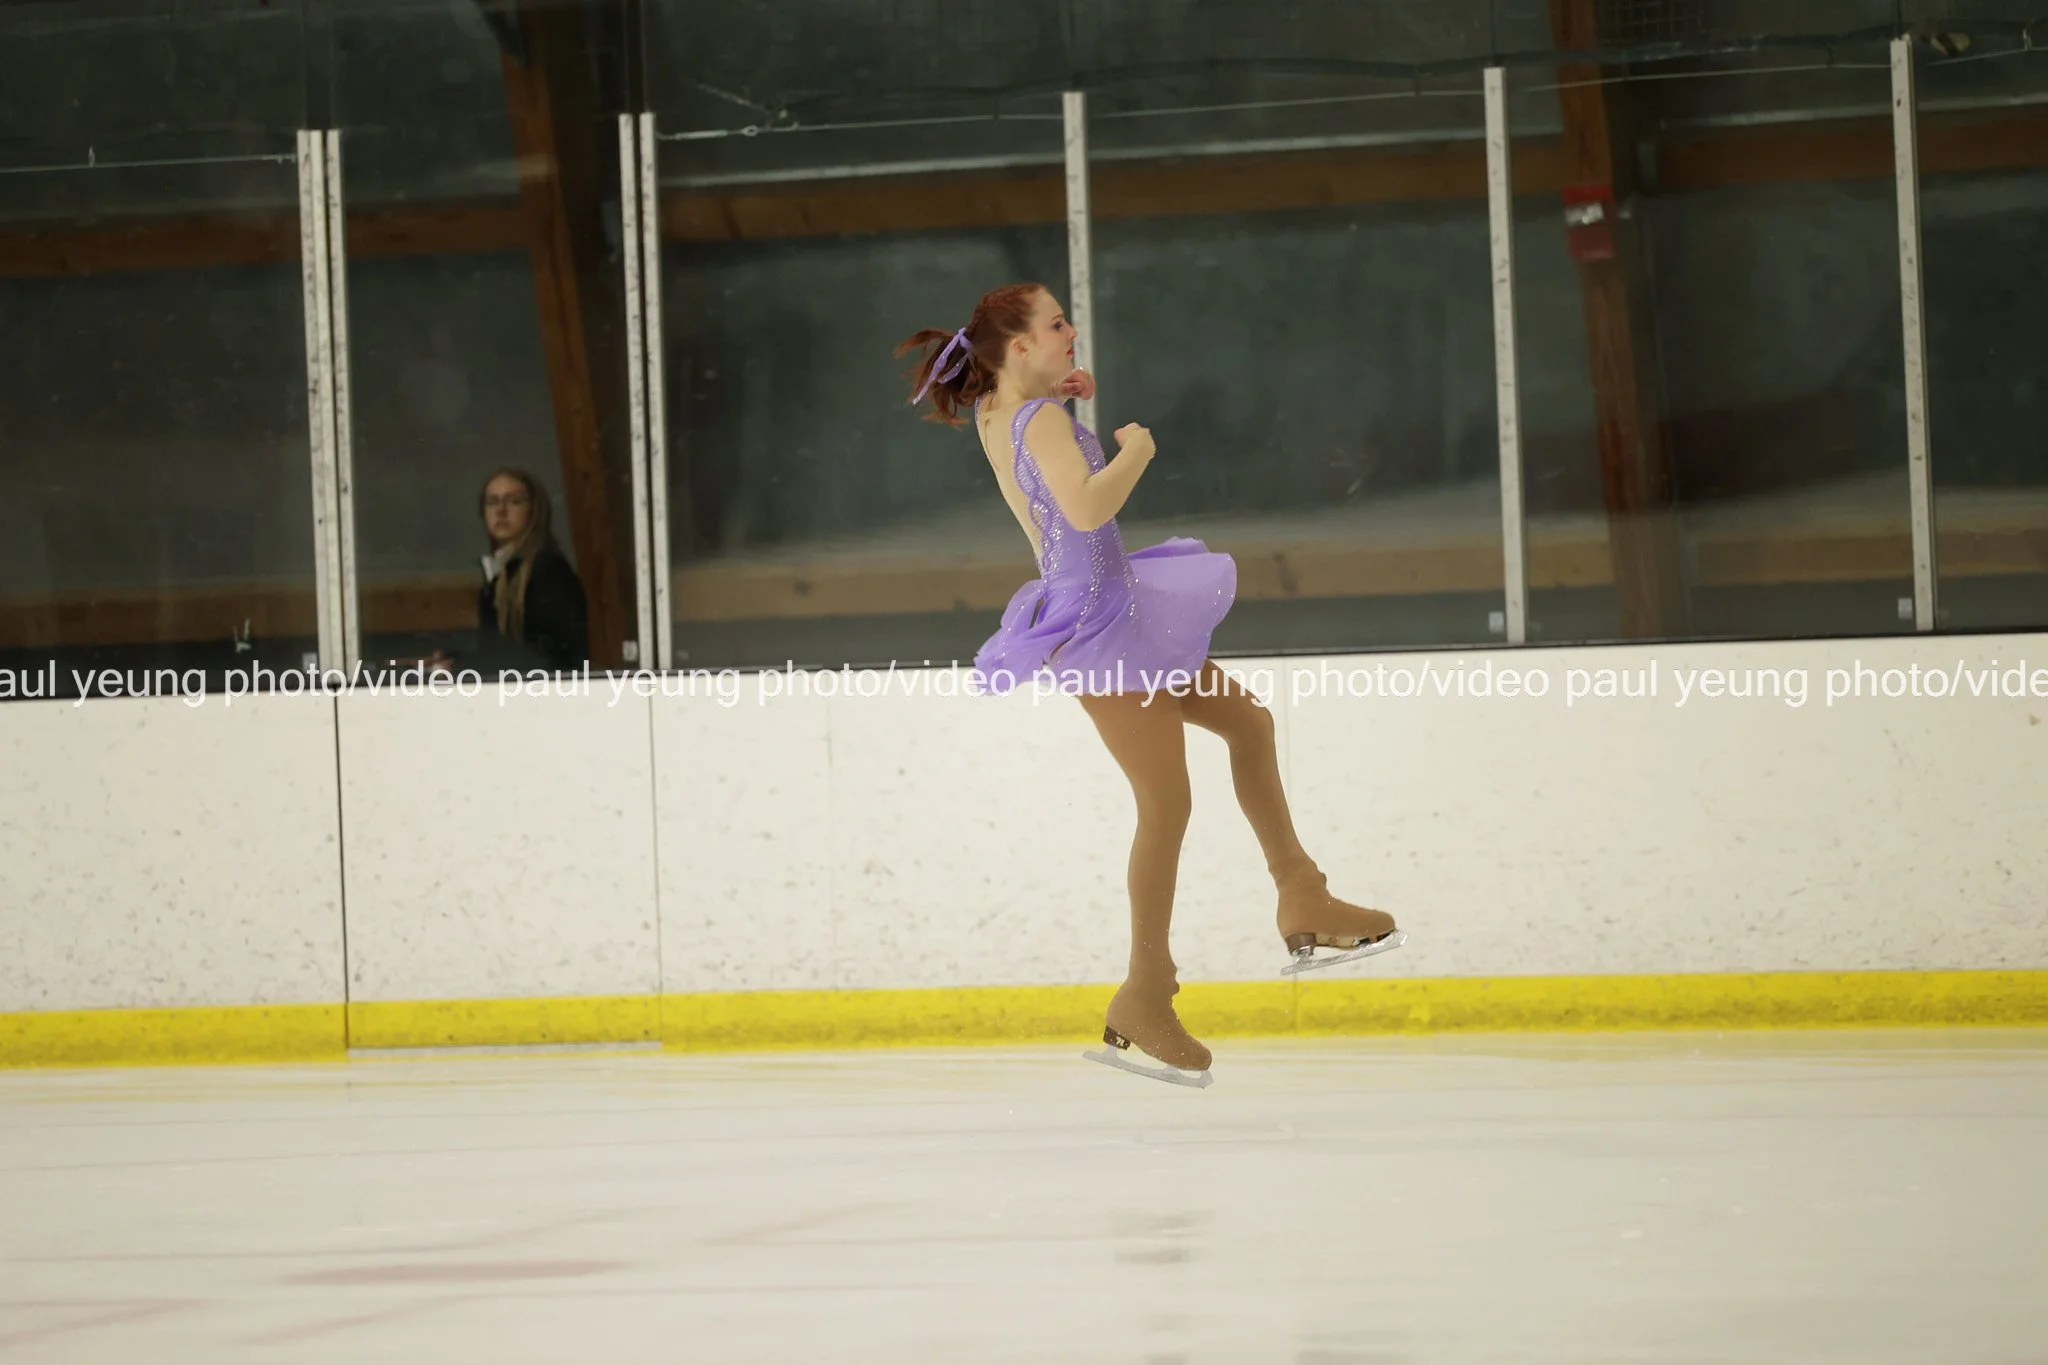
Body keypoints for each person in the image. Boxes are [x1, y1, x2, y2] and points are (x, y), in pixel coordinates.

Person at [897, 283, 1406, 1087]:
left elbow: (1040, 463)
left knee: (1248, 723)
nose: (1071, 330)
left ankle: (1304, 897)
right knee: (1166, 803)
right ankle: (1145, 994)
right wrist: (1134, 449)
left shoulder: (1004, 408)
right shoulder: (1040, 419)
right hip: (1101, 630)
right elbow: (1084, 508)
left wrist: (1061, 393)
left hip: (1119, 607)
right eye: (1055, 324)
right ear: (1020, 345)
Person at [422, 468, 590, 676]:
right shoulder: (502, 572)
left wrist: (464, 667)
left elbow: (547, 658)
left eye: (514, 501)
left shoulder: (547, 570)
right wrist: (454, 661)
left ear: (534, 510)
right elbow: (500, 654)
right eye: (492, 502)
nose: (501, 511)